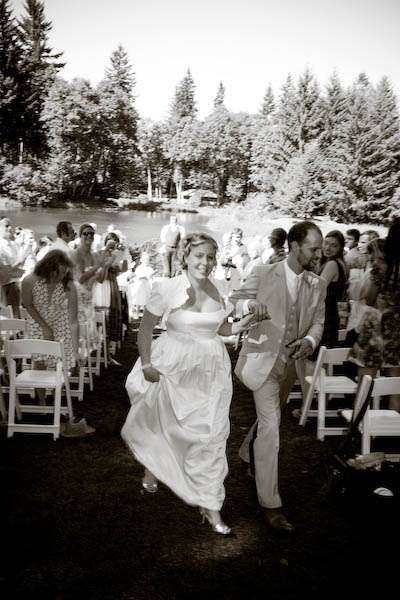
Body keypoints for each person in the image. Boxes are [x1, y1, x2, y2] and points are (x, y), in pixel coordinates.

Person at [121, 233, 254, 534]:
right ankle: (153, 467)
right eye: (199, 256)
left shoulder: (219, 287)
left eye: (210, 256)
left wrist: (242, 325)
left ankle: (210, 505)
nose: (205, 262)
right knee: (165, 425)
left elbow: (221, 329)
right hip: (174, 366)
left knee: (211, 435)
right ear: (185, 257)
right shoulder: (167, 288)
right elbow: (145, 330)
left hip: (211, 370)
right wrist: (146, 363)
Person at [229, 221, 326, 533]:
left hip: (291, 365)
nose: (318, 255)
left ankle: (247, 452)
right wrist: (249, 304)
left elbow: (319, 322)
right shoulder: (263, 272)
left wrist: (309, 341)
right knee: (271, 427)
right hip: (262, 361)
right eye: (313, 249)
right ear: (295, 246)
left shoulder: (318, 283)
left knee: (271, 416)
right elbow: (235, 299)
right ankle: (271, 504)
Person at [21, 250, 95, 436]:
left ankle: (56, 402)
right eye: (58, 272)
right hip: (37, 323)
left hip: (61, 324)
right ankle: (42, 404)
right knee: (39, 363)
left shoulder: (69, 285)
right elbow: (27, 304)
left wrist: (76, 350)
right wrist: (44, 327)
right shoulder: (29, 281)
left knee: (60, 366)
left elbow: (73, 320)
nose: (61, 276)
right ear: (48, 268)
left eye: (64, 272)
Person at [349, 219, 400, 410]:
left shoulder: (382, 268)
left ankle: (358, 421)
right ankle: (394, 424)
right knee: (396, 384)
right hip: (397, 330)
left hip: (376, 328)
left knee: (365, 382)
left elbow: (369, 299)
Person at [313, 230, 348, 353]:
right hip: (332, 315)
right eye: (326, 243)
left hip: (326, 316)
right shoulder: (339, 263)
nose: (328, 248)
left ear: (340, 248)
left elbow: (316, 289)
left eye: (334, 245)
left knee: (316, 355)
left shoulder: (332, 264)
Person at [0, 217, 27, 316]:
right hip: (3, 286)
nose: (10, 228)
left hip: (14, 283)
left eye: (10, 225)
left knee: (16, 315)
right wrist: (19, 262)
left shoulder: (14, 245)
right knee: (5, 316)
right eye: (6, 226)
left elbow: (20, 268)